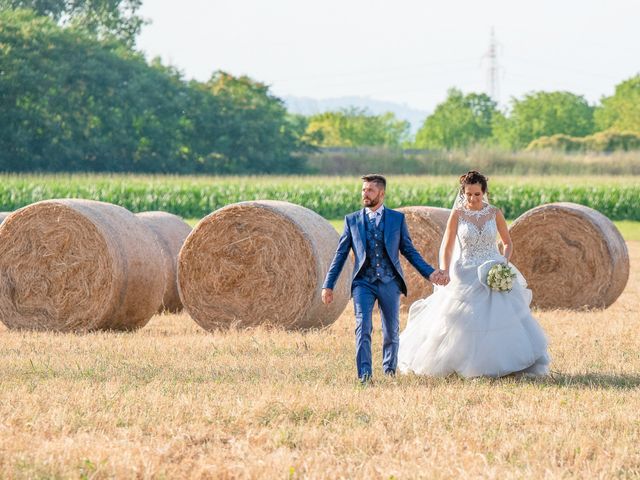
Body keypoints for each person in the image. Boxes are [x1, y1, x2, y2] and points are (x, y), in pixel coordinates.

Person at [398, 171, 550, 378]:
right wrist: (445, 269)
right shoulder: (458, 214)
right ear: (463, 193)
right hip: (465, 271)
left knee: (500, 317)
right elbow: (448, 247)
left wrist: (503, 262)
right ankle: (464, 364)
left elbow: (507, 243)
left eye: (477, 194)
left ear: (484, 193)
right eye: (468, 194)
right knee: (464, 319)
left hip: (493, 268)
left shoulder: (494, 213)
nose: (472, 198)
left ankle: (503, 363)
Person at [322, 174, 447, 383]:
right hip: (363, 282)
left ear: (381, 193)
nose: (365, 194)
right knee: (363, 327)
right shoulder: (351, 220)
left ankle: (389, 371)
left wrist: (430, 273)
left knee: (391, 330)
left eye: (369, 190)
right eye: (363, 190)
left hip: (390, 282)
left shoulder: (397, 220)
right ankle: (364, 376)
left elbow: (410, 251)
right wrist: (328, 285)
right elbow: (340, 255)